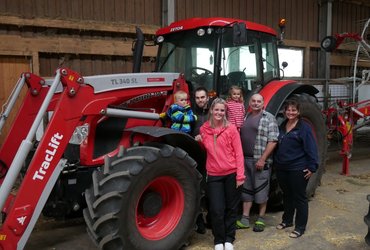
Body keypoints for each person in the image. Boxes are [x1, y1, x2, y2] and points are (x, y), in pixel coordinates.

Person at [196, 98, 245, 250]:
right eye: (216, 110)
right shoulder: (204, 129)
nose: (219, 113)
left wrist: (240, 176)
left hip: (232, 173)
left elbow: (239, 153)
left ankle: (229, 238)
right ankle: (219, 240)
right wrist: (200, 141)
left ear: (225, 112)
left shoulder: (231, 129)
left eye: (222, 110)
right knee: (217, 209)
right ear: (211, 110)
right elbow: (209, 149)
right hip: (214, 175)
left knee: (231, 208)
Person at [273, 99, 319, 238]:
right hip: (282, 167)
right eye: (288, 110)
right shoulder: (283, 125)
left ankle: (300, 227)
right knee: (287, 195)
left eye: (294, 110)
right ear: (284, 111)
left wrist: (312, 167)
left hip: (297, 168)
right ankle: (287, 221)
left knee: (300, 198)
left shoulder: (304, 128)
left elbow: (311, 148)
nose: (290, 112)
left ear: (298, 112)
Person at [237, 93, 279, 232]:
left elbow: (273, 140)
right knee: (247, 190)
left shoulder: (269, 118)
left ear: (263, 103)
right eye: (253, 101)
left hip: (260, 160)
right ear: (250, 102)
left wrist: (262, 159)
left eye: (258, 101)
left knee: (261, 190)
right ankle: (245, 219)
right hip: (245, 159)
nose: (256, 103)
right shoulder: (246, 116)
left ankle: (261, 219)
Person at [192, 86, 211, 234]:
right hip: (196, 155)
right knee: (197, 188)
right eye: (198, 98)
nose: (200, 100)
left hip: (212, 156)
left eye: (202, 97)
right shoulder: (190, 114)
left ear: (207, 98)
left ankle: (211, 218)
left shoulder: (213, 112)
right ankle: (199, 221)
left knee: (211, 189)